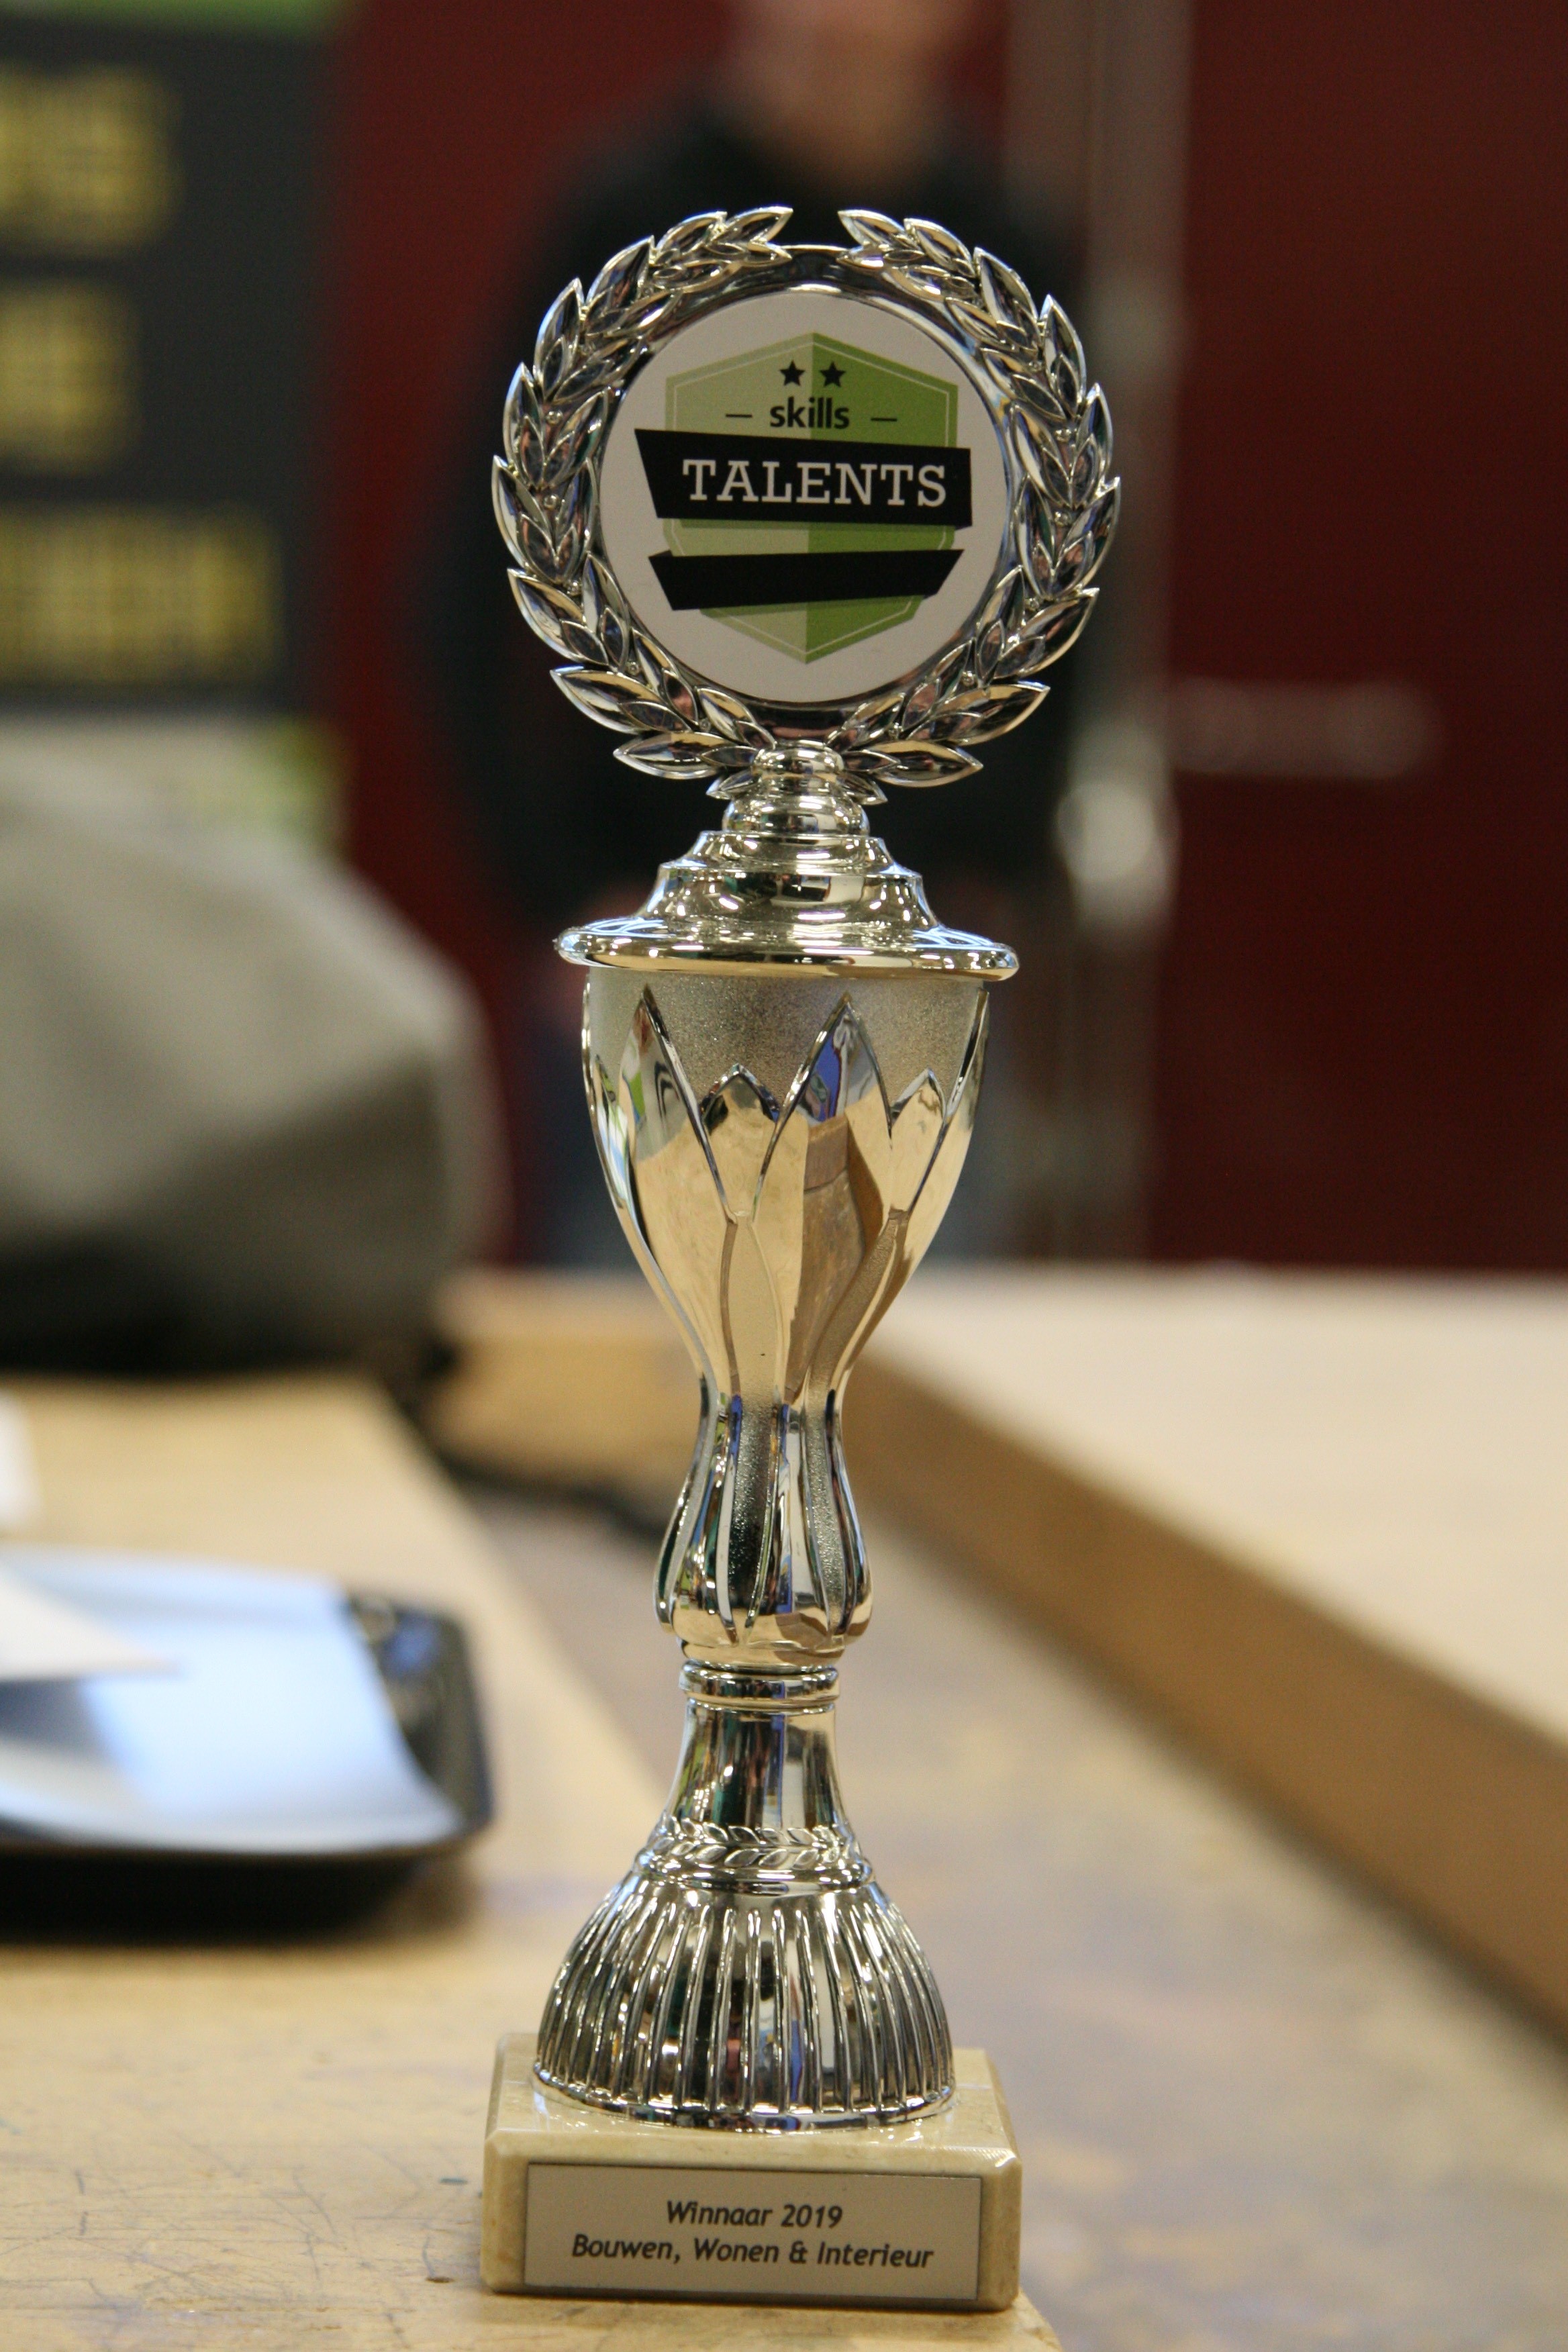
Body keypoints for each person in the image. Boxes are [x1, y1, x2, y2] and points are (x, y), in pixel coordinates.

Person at [426, 0, 1080, 1257]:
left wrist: (997, 864)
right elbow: (473, 573)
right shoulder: (629, 216)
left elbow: (1068, 574)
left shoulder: (1002, 238)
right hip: (658, 937)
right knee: (642, 1325)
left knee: (916, 1327)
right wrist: (558, 891)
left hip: (912, 946)